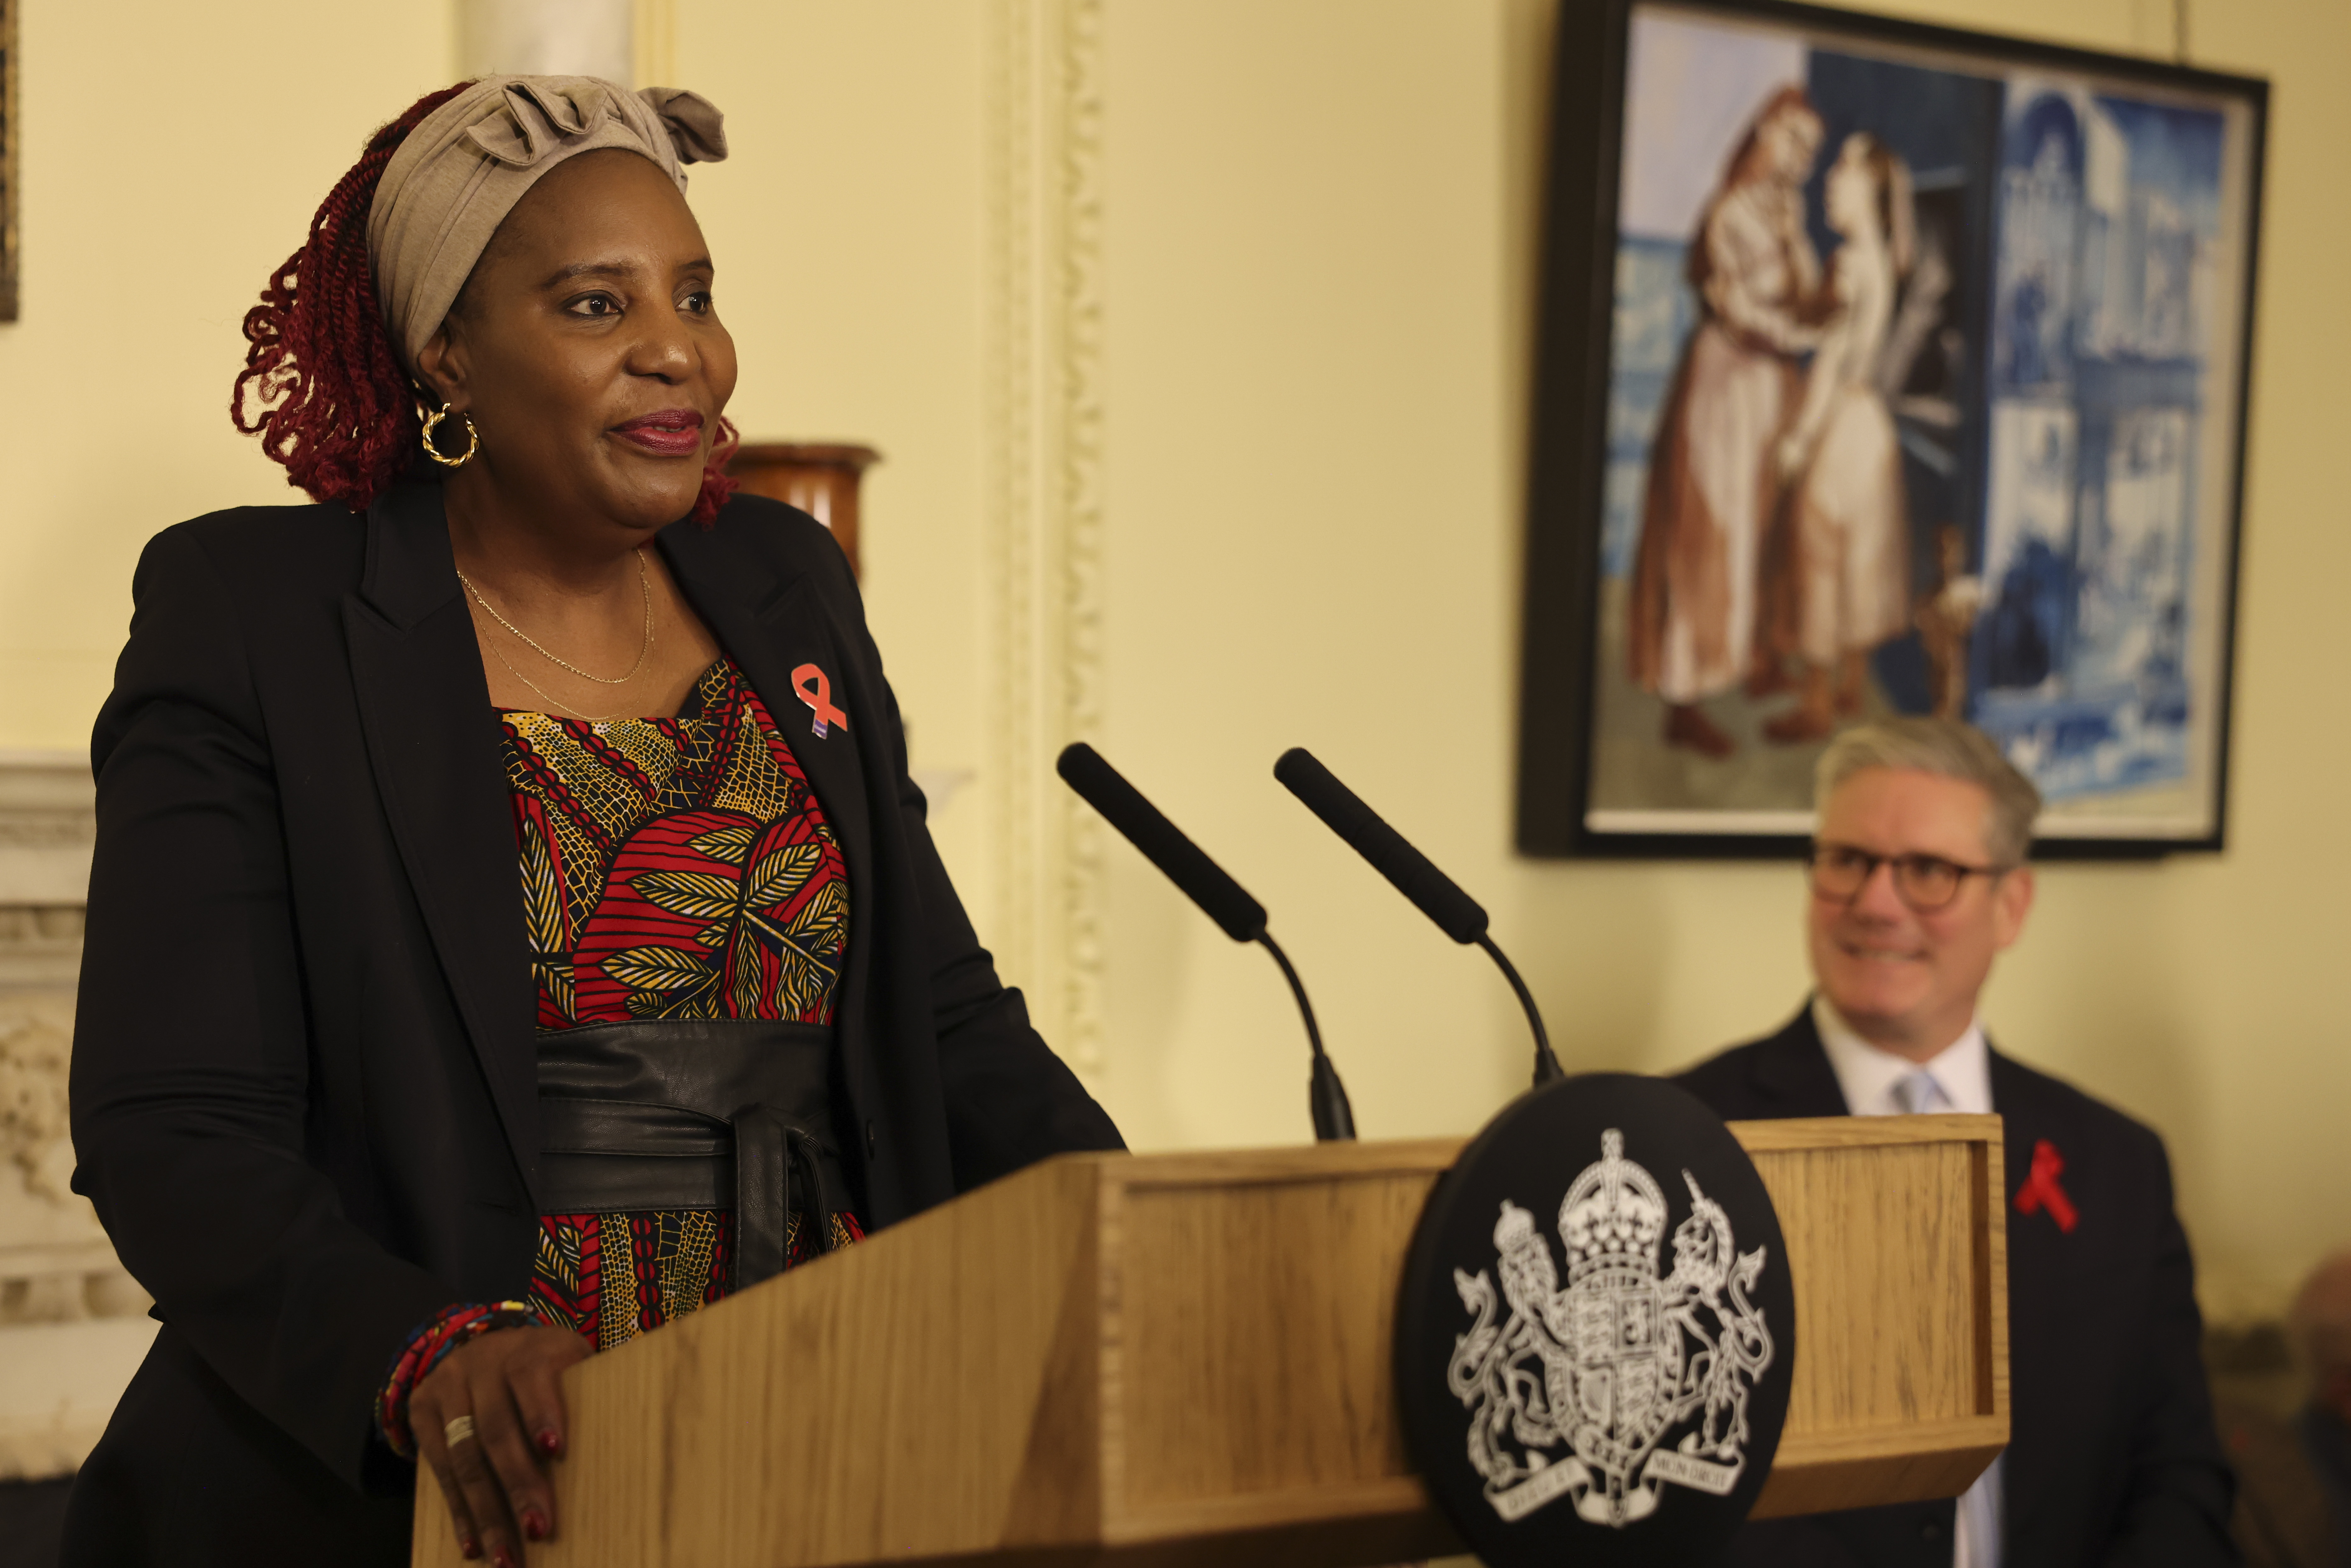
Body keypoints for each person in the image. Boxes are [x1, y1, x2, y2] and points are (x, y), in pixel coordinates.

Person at [64, 76, 1123, 1567]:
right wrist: (426, 1349)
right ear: (448, 352)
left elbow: (937, 1014)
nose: (674, 344)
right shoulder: (260, 615)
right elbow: (172, 1122)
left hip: (821, 1415)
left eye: (693, 291)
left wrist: (1121, 1221)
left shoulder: (784, 580)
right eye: (590, 304)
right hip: (456, 1466)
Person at [1675, 717, 2237, 1566]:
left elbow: (2178, 1477)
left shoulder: (2118, 1161)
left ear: (2010, 904)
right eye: (1847, 860)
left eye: (1928, 870)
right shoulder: (1679, 1144)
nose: (1874, 900)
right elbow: (1664, 1481)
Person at [1627, 86, 1823, 760]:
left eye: (1810, 151)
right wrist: (1796, 329)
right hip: (1725, 383)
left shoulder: (1787, 213)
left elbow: (1807, 287)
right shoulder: (1728, 211)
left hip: (1772, 388)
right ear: (1765, 134)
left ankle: (1749, 660)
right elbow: (1739, 309)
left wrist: (1805, 307)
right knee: (1709, 531)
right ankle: (1685, 693)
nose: (1799, 161)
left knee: (1764, 530)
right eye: (1792, 142)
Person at [1761, 133, 1916, 743]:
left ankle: (1818, 703)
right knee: (1863, 556)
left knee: (1819, 550)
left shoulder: (1851, 263)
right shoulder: (1883, 260)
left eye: (1841, 176)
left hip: (1843, 425)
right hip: (1872, 426)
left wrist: (1799, 437)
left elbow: (1827, 359)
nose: (1829, 183)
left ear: (1869, 192)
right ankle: (1852, 684)